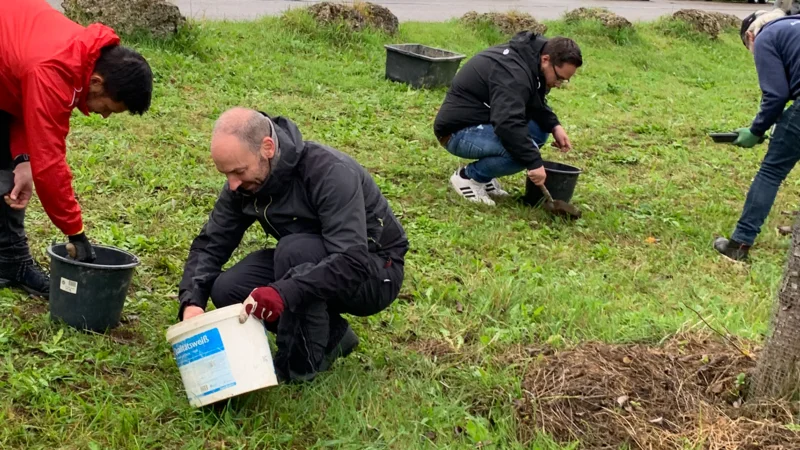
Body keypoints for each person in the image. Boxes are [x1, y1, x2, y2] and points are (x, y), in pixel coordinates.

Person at [177, 108, 409, 382]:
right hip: (307, 257)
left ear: (267, 148)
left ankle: (299, 366)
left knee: (294, 251)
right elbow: (211, 243)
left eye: (238, 171)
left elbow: (352, 261)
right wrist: (192, 302)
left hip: (374, 270)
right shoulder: (244, 183)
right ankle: (333, 336)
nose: (233, 184)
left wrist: (282, 292)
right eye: (226, 174)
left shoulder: (329, 172)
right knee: (228, 288)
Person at [0, 0, 154, 296]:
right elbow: (50, 166)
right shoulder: (52, 71)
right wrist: (75, 232)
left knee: (8, 169)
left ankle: (10, 262)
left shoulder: (78, 54)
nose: (105, 116)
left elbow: (19, 95)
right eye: (108, 108)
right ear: (96, 82)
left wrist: (22, 157)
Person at [433, 32, 582, 206]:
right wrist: (534, 162)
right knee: (523, 153)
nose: (558, 84)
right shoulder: (513, 73)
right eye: (559, 78)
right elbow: (507, 124)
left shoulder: (532, 60)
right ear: (546, 59)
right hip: (457, 132)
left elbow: (533, 101)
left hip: (485, 119)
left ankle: (486, 176)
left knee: (539, 130)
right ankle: (468, 177)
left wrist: (554, 125)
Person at [713, 10, 799, 261]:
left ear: (750, 36)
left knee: (771, 172)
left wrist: (756, 130)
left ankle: (739, 244)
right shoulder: (793, 27)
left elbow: (777, 94)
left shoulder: (764, 37)